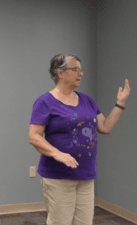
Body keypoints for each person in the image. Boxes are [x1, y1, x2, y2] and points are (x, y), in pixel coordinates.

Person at [29, 54, 130, 225]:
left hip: (86, 174)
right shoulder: (45, 102)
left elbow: (105, 127)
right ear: (60, 73)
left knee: (84, 222)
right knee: (61, 222)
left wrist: (120, 104)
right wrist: (57, 154)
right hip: (58, 176)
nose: (81, 73)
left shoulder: (87, 100)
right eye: (76, 69)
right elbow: (34, 136)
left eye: (81, 70)